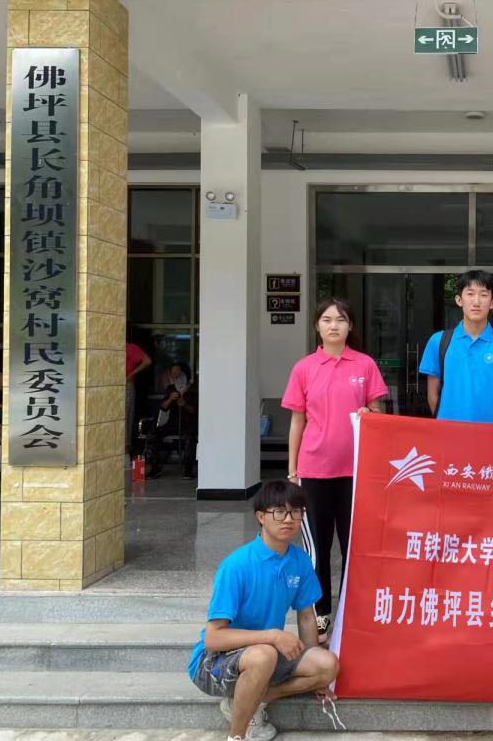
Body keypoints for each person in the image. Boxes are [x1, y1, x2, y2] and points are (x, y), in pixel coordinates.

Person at [188, 480, 339, 741]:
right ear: (260, 517)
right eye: (279, 512)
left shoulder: (300, 561)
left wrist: (316, 673)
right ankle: (237, 736)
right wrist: (273, 636)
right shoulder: (237, 566)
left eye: (295, 511)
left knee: (327, 665)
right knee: (264, 654)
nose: (288, 519)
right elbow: (213, 638)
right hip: (214, 662)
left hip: (265, 653)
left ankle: (256, 698)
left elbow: (306, 616)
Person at [282, 298, 388, 642]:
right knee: (318, 549)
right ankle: (321, 615)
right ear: (317, 325)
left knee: (355, 547)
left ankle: (352, 614)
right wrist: (293, 471)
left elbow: (379, 414)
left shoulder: (365, 365)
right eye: (326, 319)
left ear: (350, 326)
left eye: (340, 320)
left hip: (356, 472)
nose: (333, 325)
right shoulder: (304, 368)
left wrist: (372, 414)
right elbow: (297, 421)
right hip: (314, 471)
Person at [419, 270, 493, 424]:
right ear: (459, 300)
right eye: (470, 294)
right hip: (448, 432)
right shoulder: (438, 341)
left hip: (489, 434)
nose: (476, 302)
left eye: (483, 294)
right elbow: (432, 394)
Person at [146, 362, 198, 480]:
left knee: (190, 437)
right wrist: (170, 399)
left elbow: (194, 410)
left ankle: (187, 468)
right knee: (152, 434)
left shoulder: (192, 389)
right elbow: (163, 407)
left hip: (188, 423)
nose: (174, 375)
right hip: (172, 423)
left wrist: (184, 405)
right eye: (172, 372)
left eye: (177, 372)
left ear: (184, 373)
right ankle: (155, 467)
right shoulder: (170, 388)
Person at [125, 341, 152, 454]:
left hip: (126, 384)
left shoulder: (129, 347)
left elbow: (147, 361)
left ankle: (126, 449)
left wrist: (132, 374)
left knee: (125, 418)